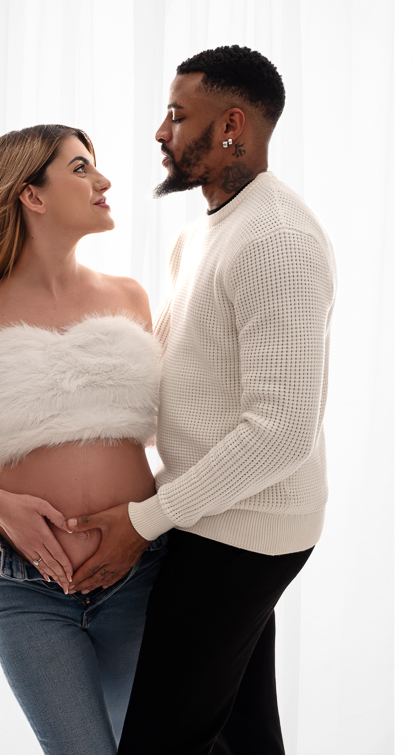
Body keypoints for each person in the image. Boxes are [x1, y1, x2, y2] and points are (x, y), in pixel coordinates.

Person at [66, 46, 337, 754]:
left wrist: (144, 520)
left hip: (244, 531)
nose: (160, 132)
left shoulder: (277, 241)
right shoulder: (200, 236)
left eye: (177, 115)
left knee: (159, 740)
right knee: (242, 737)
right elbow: (184, 385)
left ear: (231, 126)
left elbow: (281, 431)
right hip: (210, 512)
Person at [0, 124, 167, 755]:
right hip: (25, 583)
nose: (104, 180)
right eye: (81, 168)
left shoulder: (130, 297)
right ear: (31, 195)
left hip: (142, 569)